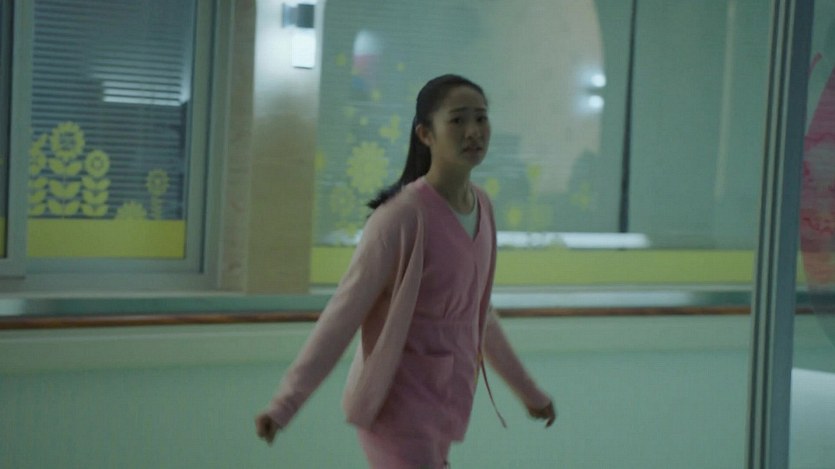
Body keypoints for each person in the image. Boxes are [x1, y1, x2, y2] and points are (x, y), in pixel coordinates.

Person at [255, 74, 556, 468]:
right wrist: (285, 404)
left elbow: (478, 317)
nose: (473, 131)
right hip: (394, 408)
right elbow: (342, 317)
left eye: (481, 118)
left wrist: (529, 393)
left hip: (446, 404)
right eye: (458, 120)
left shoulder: (482, 207)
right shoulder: (400, 218)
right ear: (425, 134)